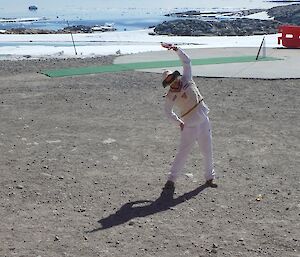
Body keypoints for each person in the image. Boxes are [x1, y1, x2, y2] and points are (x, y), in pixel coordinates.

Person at [161, 43, 217, 190]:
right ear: (167, 83)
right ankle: (171, 180)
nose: (174, 82)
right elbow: (167, 112)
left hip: (204, 120)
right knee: (183, 153)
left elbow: (187, 61)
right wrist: (178, 123)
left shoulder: (187, 78)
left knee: (208, 150)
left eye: (174, 78)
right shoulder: (170, 96)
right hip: (189, 125)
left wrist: (176, 49)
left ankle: (209, 178)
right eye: (170, 81)